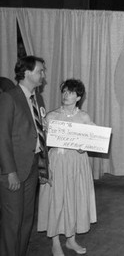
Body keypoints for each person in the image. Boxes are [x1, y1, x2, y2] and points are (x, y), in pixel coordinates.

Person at [37, 79, 97, 256]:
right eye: (64, 92)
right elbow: (42, 144)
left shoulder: (84, 117)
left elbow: (93, 140)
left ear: (78, 97)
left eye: (70, 93)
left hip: (77, 163)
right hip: (57, 161)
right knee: (56, 199)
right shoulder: (51, 116)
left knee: (74, 198)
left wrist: (84, 145)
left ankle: (70, 240)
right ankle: (55, 242)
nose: (66, 95)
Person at [0, 55, 49, 256]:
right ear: (27, 73)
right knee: (12, 222)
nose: (43, 75)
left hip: (32, 167)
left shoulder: (38, 98)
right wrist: (9, 172)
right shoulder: (9, 97)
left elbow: (38, 132)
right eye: (40, 71)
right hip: (14, 170)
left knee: (27, 219)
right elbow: (2, 137)